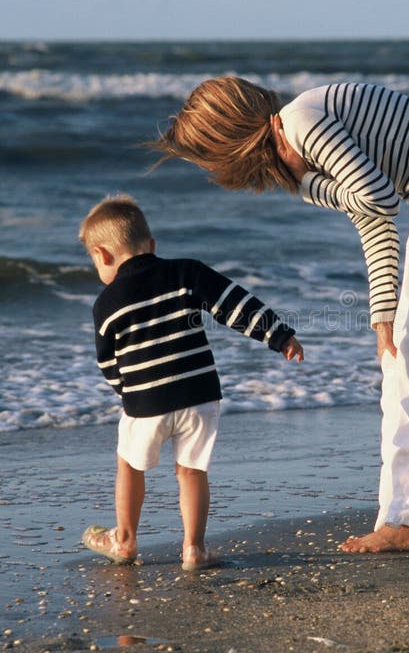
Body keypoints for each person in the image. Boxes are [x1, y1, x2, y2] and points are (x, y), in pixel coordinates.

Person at [149, 77, 409, 553]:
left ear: (231, 141)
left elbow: (377, 198)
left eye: (212, 160)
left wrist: (306, 182)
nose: (219, 173)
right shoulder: (299, 129)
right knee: (405, 359)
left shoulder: (302, 123)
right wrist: (381, 311)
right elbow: (374, 218)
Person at [79, 193, 304, 570]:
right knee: (191, 470)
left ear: (102, 255)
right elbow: (235, 305)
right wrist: (279, 336)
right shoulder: (186, 272)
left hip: (144, 405)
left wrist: (127, 391)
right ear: (150, 245)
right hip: (199, 395)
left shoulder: (106, 303)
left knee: (130, 466)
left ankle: (126, 540)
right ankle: (193, 549)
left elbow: (108, 363)